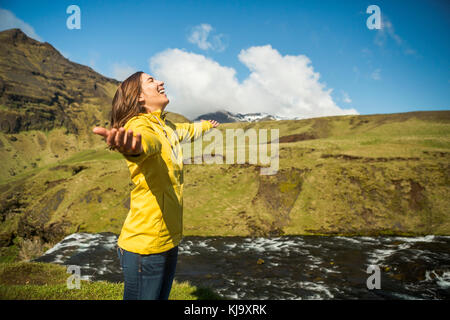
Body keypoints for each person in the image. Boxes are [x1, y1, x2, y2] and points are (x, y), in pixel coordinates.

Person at [92, 71, 219, 300]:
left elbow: (188, 131)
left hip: (168, 240)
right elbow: (144, 143)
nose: (160, 82)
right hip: (145, 246)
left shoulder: (166, 126)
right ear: (139, 97)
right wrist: (132, 147)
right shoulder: (140, 127)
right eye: (151, 80)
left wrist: (206, 126)